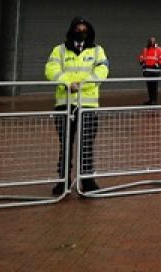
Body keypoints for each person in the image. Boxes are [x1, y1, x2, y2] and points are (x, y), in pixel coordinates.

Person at [46, 17, 109, 194]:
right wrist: (68, 84)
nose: (81, 32)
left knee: (86, 145)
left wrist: (81, 85)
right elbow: (51, 70)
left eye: (84, 29)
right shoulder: (59, 50)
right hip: (64, 106)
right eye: (77, 28)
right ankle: (63, 182)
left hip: (87, 107)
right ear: (71, 30)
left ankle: (87, 182)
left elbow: (102, 72)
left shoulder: (98, 51)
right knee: (65, 145)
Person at [138, 37, 161, 105]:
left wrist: (157, 64)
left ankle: (154, 100)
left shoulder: (158, 49)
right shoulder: (145, 49)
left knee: (154, 86)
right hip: (147, 71)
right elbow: (142, 58)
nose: (151, 42)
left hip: (155, 71)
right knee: (149, 86)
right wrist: (143, 64)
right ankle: (151, 100)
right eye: (150, 41)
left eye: (152, 41)